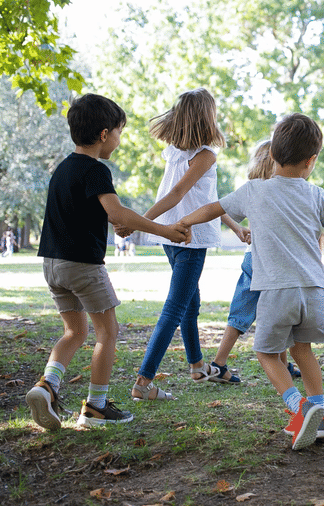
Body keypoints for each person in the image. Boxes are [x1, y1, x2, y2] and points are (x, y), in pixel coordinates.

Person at [178, 113, 324, 450]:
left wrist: (185, 221)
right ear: (311, 161)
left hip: (277, 291)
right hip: (315, 291)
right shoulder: (316, 194)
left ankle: (299, 407)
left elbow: (212, 208)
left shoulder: (254, 190)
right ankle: (320, 417)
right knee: (302, 350)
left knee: (265, 352)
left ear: (272, 156)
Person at [26, 93, 189, 430]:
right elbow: (117, 212)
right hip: (83, 266)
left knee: (74, 331)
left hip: (52, 265)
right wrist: (165, 230)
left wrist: (118, 222)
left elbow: (92, 214)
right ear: (104, 134)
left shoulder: (62, 170)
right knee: (107, 332)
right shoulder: (96, 170)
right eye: (118, 131)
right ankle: (96, 407)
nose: (118, 138)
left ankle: (48, 385)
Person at [124, 89, 247, 401]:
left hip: (172, 234)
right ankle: (143, 380)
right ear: (207, 117)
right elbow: (178, 193)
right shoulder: (204, 154)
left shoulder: (175, 152)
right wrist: (137, 221)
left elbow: (206, 199)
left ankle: (196, 366)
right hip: (189, 237)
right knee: (176, 306)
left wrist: (234, 225)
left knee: (190, 303)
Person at [208, 140, 302, 386]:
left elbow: (220, 207)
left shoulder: (252, 188)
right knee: (279, 311)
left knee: (241, 312)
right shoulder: (282, 189)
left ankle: (219, 363)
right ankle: (279, 363)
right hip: (272, 261)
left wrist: (239, 228)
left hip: (252, 257)